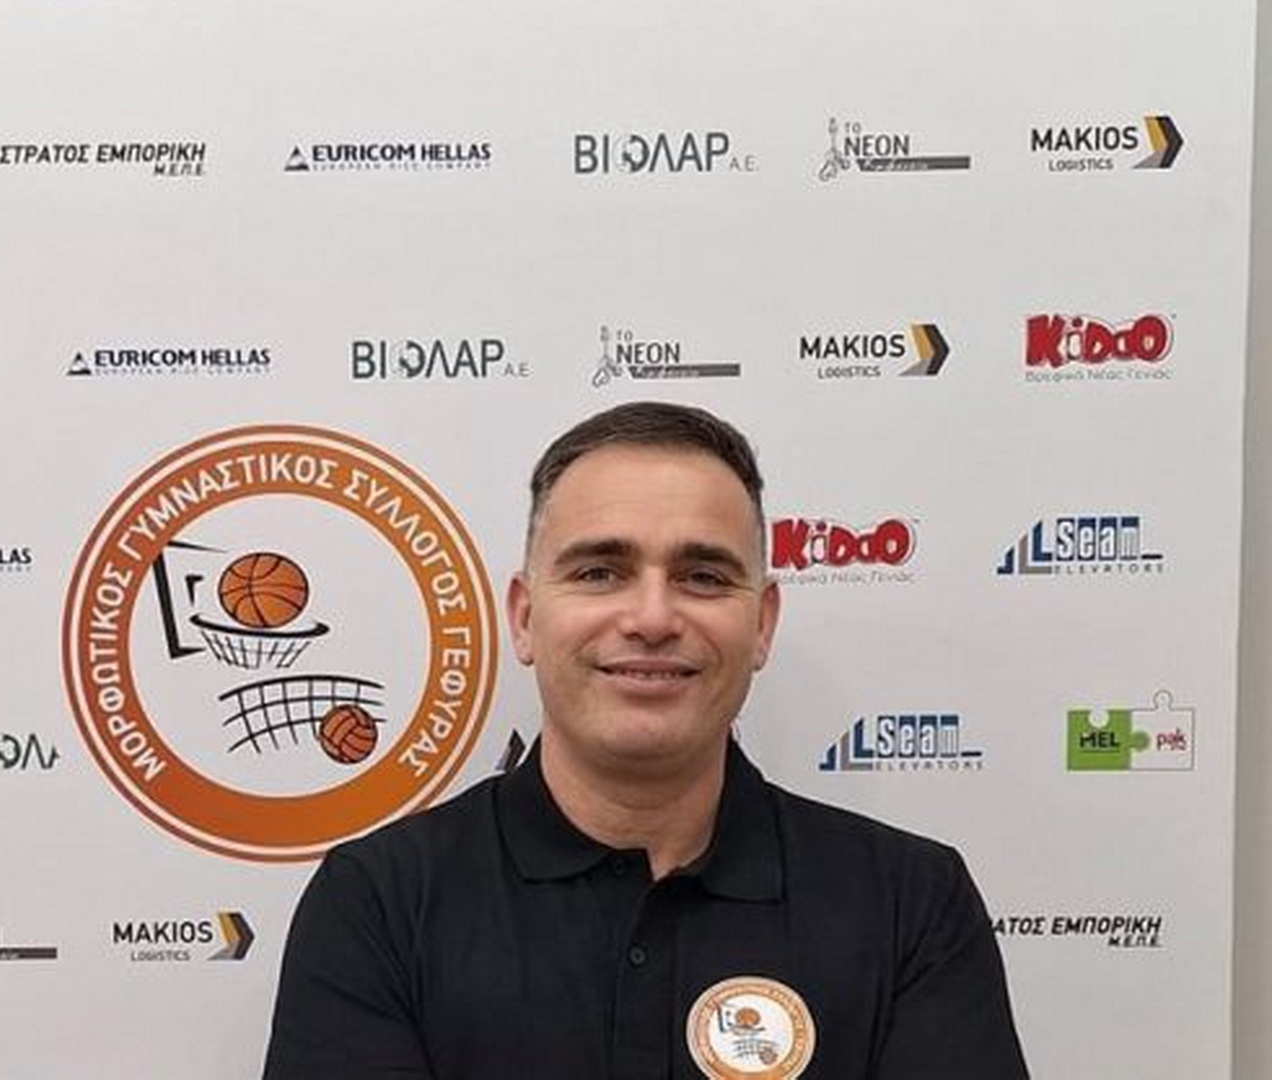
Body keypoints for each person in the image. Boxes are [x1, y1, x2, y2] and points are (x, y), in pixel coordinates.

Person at [262, 401, 1027, 1079]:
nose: (653, 618)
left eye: (703, 577)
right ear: (525, 618)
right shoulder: (381, 903)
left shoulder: (910, 902)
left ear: (762, 624)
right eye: (600, 572)